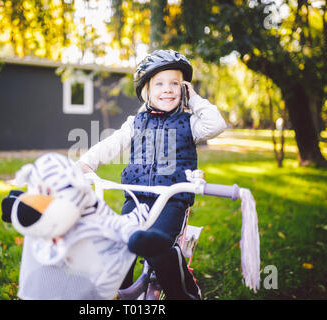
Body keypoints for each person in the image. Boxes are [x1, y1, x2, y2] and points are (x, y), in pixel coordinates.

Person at [77, 49, 226, 300]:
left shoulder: (189, 123)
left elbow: (217, 124)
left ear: (184, 89)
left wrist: (195, 99)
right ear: (146, 90)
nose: (168, 89)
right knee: (121, 244)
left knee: (158, 247)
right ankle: (121, 293)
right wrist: (85, 163)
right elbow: (110, 144)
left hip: (171, 199)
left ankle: (185, 293)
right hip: (136, 198)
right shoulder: (135, 123)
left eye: (175, 84)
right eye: (159, 83)